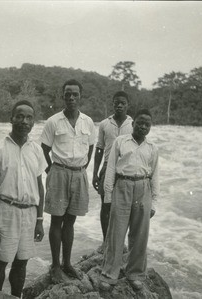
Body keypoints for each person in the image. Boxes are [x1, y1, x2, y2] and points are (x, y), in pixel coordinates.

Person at [0, 100, 46, 298]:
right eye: (19, 116)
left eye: (29, 117)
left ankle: (16, 296)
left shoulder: (36, 149)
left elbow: (40, 187)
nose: (24, 121)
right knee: (0, 261)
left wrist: (39, 220)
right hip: (6, 211)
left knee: (22, 262)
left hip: (29, 213)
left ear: (33, 123)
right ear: (11, 119)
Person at [40, 79, 96, 284]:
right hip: (59, 172)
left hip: (79, 174)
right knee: (56, 220)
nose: (71, 98)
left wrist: (82, 168)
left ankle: (67, 263)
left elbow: (90, 147)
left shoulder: (88, 122)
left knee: (70, 220)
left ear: (81, 96)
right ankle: (55, 266)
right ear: (62, 96)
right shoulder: (53, 121)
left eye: (75, 94)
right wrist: (50, 169)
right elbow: (43, 148)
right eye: (67, 94)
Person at [100, 108, 159, 291]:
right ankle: (110, 274)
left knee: (140, 234)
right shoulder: (120, 141)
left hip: (143, 188)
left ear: (150, 127)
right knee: (116, 232)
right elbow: (110, 169)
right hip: (123, 186)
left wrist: (154, 202)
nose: (142, 126)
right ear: (132, 123)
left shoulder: (152, 148)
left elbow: (155, 175)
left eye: (146, 124)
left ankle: (135, 273)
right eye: (139, 122)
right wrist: (108, 196)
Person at [92, 91, 132, 249]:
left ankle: (120, 243)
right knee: (106, 205)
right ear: (113, 104)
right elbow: (99, 149)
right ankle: (106, 241)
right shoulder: (104, 124)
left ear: (128, 105)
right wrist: (95, 173)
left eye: (123, 103)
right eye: (116, 102)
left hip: (126, 169)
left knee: (123, 207)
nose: (119, 105)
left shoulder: (133, 124)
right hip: (107, 167)